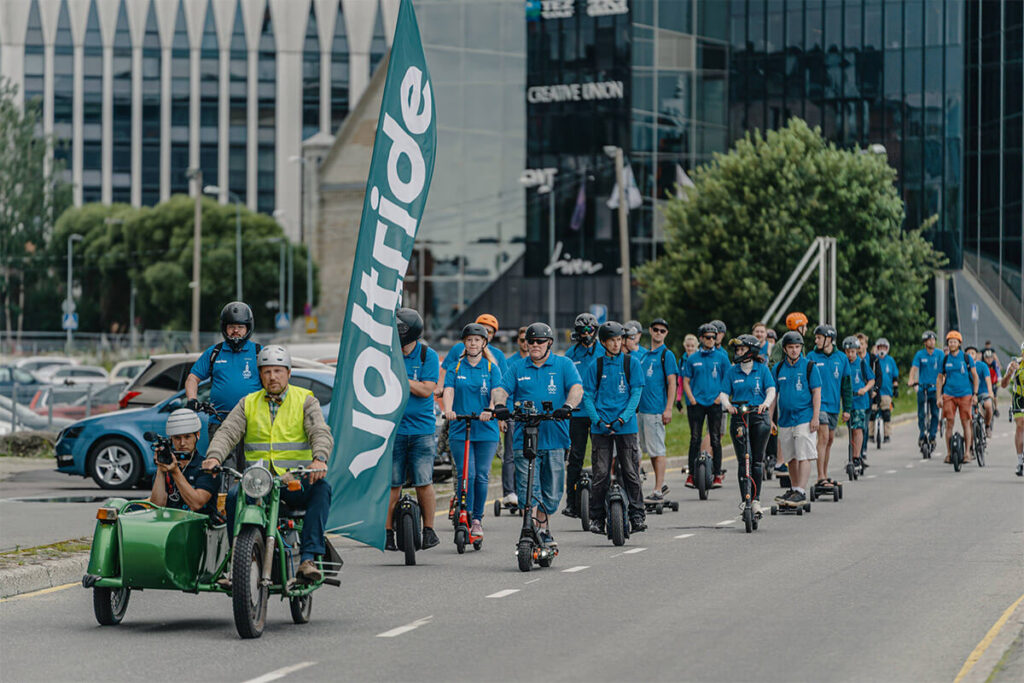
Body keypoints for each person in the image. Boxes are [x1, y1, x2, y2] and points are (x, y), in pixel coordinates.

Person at [202, 345, 333, 584]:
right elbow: (227, 433)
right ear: (259, 375)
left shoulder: (305, 400)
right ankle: (236, 561)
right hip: (257, 483)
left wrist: (319, 458)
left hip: (294, 481)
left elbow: (320, 431)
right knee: (233, 496)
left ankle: (308, 558)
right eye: (266, 371)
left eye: (277, 371)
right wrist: (214, 456)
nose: (272, 376)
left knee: (322, 489)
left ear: (289, 373)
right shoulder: (248, 403)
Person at [492, 323, 583, 548]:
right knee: (527, 488)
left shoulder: (563, 364)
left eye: (539, 342)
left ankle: (543, 526)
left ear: (549, 343)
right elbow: (500, 389)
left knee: (552, 492)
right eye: (530, 341)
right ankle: (531, 529)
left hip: (554, 436)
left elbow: (577, 388)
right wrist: (501, 405)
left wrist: (568, 406)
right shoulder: (517, 367)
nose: (534, 345)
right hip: (526, 437)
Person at [580, 321, 646, 533]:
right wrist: (598, 420)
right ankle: (597, 518)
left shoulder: (631, 364)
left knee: (630, 472)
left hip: (625, 426)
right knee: (600, 475)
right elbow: (587, 397)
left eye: (619, 340)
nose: (616, 344)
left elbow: (636, 394)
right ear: (603, 342)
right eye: (612, 341)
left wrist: (622, 419)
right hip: (601, 426)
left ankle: (637, 515)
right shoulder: (596, 366)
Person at [442, 323, 503, 541]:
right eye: (469, 340)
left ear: (484, 343)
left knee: (482, 476)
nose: (473, 343)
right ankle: (463, 514)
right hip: (461, 427)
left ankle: (477, 518)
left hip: (485, 429)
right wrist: (449, 410)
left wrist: (491, 409)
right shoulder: (456, 368)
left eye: (477, 340)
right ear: (464, 343)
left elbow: (497, 392)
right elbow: (448, 390)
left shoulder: (490, 368)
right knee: (466, 474)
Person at [387, 308, 441, 551]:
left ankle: (429, 530)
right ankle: (387, 532)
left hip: (422, 429)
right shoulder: (387, 354)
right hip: (393, 429)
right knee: (392, 483)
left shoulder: (427, 355)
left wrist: (400, 378)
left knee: (423, 481)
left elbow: (427, 390)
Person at [185, 302, 262, 470]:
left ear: (248, 328)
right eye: (231, 326)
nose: (236, 331)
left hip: (253, 422)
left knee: (253, 471)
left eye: (240, 326)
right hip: (220, 421)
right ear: (224, 328)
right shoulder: (214, 352)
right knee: (222, 471)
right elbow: (192, 378)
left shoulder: (258, 352)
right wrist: (192, 399)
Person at [719, 335, 775, 517]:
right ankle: (745, 500)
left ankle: (756, 499)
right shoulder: (732, 371)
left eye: (742, 349)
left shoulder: (762, 369)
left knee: (757, 460)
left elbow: (771, 390)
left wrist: (765, 403)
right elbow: (724, 393)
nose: (738, 352)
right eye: (737, 349)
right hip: (739, 417)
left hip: (759, 416)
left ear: (751, 351)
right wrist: (727, 405)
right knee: (744, 460)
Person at [770, 330, 822, 507]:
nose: (794, 350)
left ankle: (801, 489)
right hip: (785, 419)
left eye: (797, 347)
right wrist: (770, 419)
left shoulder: (809, 367)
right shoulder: (777, 369)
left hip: (804, 417)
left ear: (801, 348)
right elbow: (772, 396)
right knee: (790, 456)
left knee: (803, 455)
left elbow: (816, 393)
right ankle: (794, 488)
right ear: (784, 349)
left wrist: (815, 417)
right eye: (791, 347)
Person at [681, 323, 730, 488]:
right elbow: (686, 381)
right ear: (701, 338)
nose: (711, 340)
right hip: (697, 404)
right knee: (695, 439)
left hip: (715, 403)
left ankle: (717, 474)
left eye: (713, 337)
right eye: (707, 337)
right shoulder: (693, 358)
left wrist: (720, 397)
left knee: (715, 439)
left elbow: (727, 379)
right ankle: (691, 476)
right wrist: (691, 398)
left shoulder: (722, 357)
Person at [562, 312, 600, 517]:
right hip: (576, 414)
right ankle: (571, 502)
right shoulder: (570, 355)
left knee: (600, 456)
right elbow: (563, 383)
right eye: (582, 330)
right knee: (575, 457)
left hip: (598, 413)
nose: (586, 334)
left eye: (589, 330)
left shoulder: (603, 351)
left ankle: (600, 500)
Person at [149, 409, 219, 516]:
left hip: (201, 528)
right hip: (171, 526)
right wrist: (160, 469)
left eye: (187, 437)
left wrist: (175, 471)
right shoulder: (167, 465)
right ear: (171, 439)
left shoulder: (207, 466)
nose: (182, 443)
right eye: (177, 438)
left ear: (197, 435)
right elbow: (157, 507)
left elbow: (196, 504)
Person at [807, 324, 852, 489]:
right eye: (816, 337)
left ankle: (825, 474)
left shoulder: (841, 358)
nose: (816, 340)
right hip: (819, 405)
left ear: (829, 339)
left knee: (830, 440)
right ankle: (820, 476)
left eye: (819, 337)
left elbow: (846, 386)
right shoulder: (811, 356)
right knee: (823, 437)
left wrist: (847, 408)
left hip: (834, 405)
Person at [637, 318, 678, 500]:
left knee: (658, 450)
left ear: (666, 333)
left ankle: (658, 488)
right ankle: (658, 484)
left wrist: (668, 408)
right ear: (650, 330)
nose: (659, 333)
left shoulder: (666, 355)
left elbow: (672, 383)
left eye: (663, 330)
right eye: (656, 329)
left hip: (655, 410)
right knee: (647, 450)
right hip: (641, 410)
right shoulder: (645, 355)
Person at [937, 330, 979, 463]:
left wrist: (975, 394)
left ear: (959, 343)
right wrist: (939, 396)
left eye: (954, 342)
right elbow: (939, 378)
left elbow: (975, 376)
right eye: (950, 342)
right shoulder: (945, 359)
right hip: (949, 394)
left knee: (966, 422)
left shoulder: (966, 358)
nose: (952, 344)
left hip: (965, 394)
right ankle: (949, 454)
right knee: (949, 423)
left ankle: (967, 453)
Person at [908, 331, 944, 449]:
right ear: (925, 342)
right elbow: (914, 368)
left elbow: (944, 370)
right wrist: (911, 380)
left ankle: (932, 435)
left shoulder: (939, 354)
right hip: (923, 387)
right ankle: (922, 433)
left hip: (936, 388)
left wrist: (944, 381)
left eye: (933, 339)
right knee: (921, 413)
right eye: (929, 340)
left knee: (934, 413)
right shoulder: (920, 354)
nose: (932, 342)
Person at [843, 337, 874, 467]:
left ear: (857, 351)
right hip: (848, 401)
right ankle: (852, 455)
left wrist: (865, 389)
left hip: (860, 400)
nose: (850, 354)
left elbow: (871, 380)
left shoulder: (861, 363)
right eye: (848, 352)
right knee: (850, 429)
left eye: (853, 352)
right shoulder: (843, 364)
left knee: (858, 429)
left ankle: (857, 457)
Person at [998, 343, 1024, 476]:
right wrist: (1009, 373)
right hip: (1020, 398)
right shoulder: (1015, 364)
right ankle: (1020, 462)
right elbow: (1003, 385)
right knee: (1020, 425)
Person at [869, 338, 899, 444]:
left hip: (886, 392)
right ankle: (871, 434)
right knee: (872, 413)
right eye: (880, 347)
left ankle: (887, 435)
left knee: (886, 413)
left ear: (887, 349)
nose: (882, 350)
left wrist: (895, 388)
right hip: (875, 391)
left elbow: (895, 376)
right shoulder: (874, 360)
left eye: (884, 347)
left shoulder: (890, 360)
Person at [965, 346, 994, 437]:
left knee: (988, 405)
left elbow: (988, 380)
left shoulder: (982, 366)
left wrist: (990, 392)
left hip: (982, 393)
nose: (970, 355)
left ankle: (987, 425)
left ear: (976, 355)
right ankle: (969, 444)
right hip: (968, 394)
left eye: (972, 353)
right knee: (968, 418)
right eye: (968, 353)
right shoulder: (963, 366)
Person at [675, 333, 699, 412]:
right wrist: (678, 399)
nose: (690, 348)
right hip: (689, 400)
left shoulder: (700, 359)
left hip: (702, 399)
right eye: (688, 346)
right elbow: (680, 382)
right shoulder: (682, 361)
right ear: (684, 345)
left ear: (696, 346)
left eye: (692, 346)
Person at [982, 347, 1001, 417]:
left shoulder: (994, 364)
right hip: (985, 383)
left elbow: (998, 373)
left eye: (990, 358)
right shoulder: (983, 364)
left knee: (995, 396)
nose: (989, 359)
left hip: (993, 382)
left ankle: (996, 409)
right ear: (984, 358)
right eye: (987, 358)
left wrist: (999, 381)